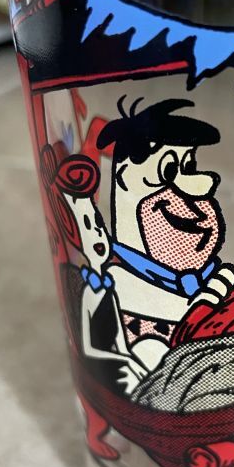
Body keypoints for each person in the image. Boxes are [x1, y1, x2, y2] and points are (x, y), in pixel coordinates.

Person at [97, 97, 234, 370]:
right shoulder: (117, 289)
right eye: (168, 170)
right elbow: (182, 360)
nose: (201, 186)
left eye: (188, 167)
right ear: (125, 177)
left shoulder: (203, 279)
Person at [53, 151, 148, 395]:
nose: (97, 233)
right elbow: (89, 348)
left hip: (118, 363)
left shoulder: (107, 289)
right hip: (102, 368)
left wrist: (132, 361)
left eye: (98, 225)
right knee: (129, 376)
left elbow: (122, 344)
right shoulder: (90, 293)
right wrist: (123, 361)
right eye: (87, 226)